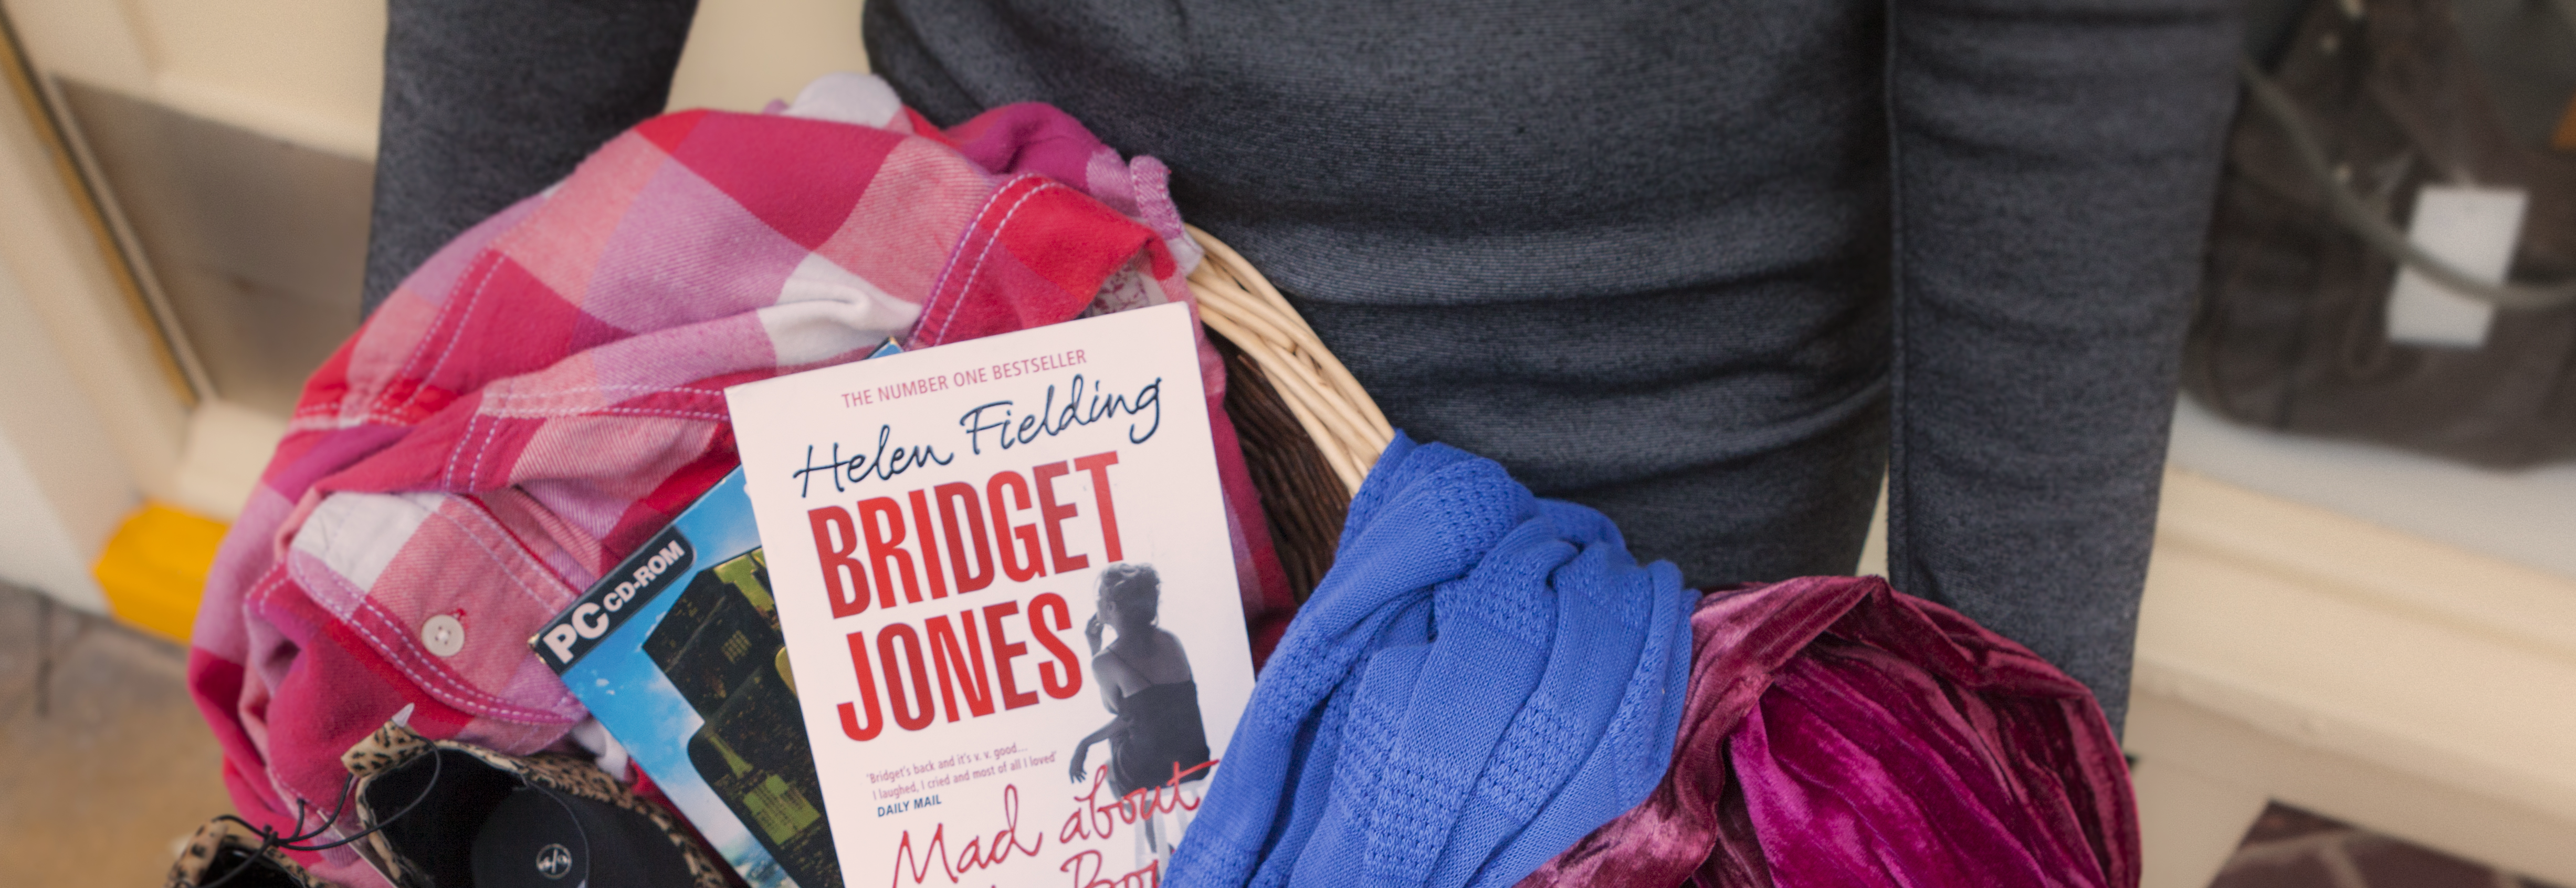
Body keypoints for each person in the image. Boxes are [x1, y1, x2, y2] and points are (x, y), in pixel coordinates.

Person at [366, 0, 2244, 730]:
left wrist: (2010, 772)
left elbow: (2073, 46)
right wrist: (400, 485)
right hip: (974, 382)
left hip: (1625, 464)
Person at [1067, 563, 1213, 866]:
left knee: (1114, 758)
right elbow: (1155, 711)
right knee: (1139, 730)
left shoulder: (1106, 661)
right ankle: (1159, 845)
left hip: (1153, 770)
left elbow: (1116, 710)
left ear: (1110, 608)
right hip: (1195, 760)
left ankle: (1156, 846)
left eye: (1100, 598)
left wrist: (1094, 649)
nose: (1096, 604)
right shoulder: (1171, 640)